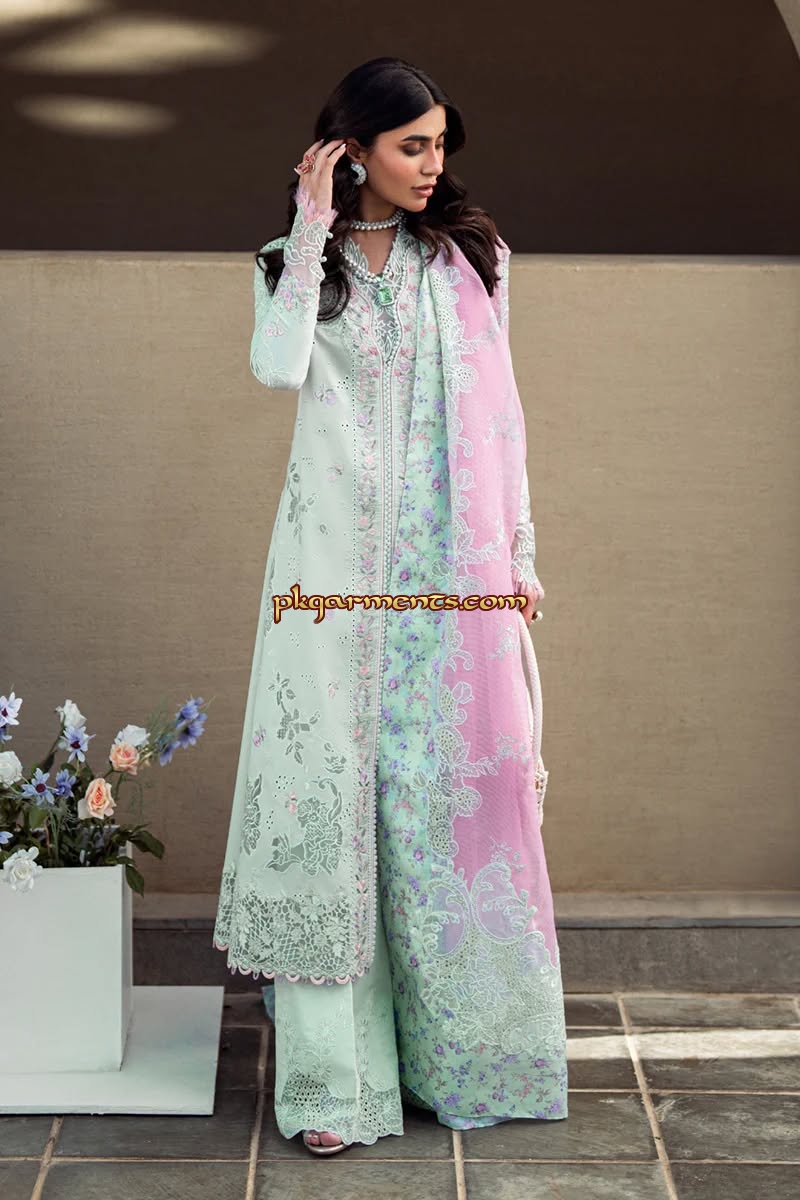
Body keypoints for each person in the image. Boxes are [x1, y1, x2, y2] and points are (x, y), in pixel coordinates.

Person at [212, 56, 568, 1155]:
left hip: (450, 581)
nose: (432, 164)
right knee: (331, 806)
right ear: (351, 148)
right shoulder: (289, 264)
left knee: (446, 804)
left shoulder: (471, 258)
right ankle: (334, 1088)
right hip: (329, 578)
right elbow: (277, 369)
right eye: (411, 144)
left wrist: (516, 555)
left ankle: (463, 1059)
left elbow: (504, 419)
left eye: (440, 144)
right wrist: (311, 224)